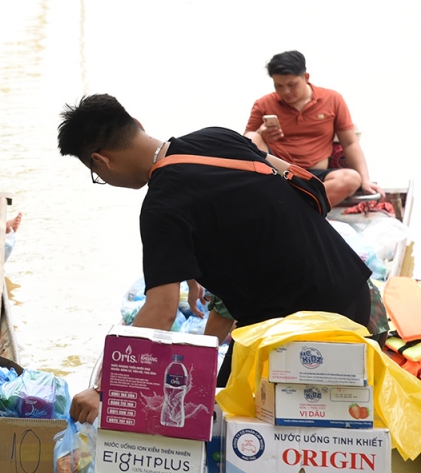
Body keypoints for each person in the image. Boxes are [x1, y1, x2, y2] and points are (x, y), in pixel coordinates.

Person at [57, 94, 374, 424]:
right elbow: (285, 181)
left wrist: (104, 389)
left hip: (299, 327)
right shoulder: (217, 136)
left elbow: (162, 311)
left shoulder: (161, 207)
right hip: (351, 290)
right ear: (137, 125)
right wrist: (190, 264)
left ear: (101, 161)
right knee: (231, 400)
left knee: (220, 427)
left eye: (97, 174)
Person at [244, 50, 382, 207]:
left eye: (291, 85)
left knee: (351, 178)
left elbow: (350, 143)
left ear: (306, 77)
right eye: (279, 86)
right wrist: (262, 134)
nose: (286, 92)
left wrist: (365, 180)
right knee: (252, 137)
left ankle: (293, 208)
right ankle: (296, 207)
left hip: (315, 177)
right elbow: (243, 145)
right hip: (279, 173)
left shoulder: (332, 99)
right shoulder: (264, 103)